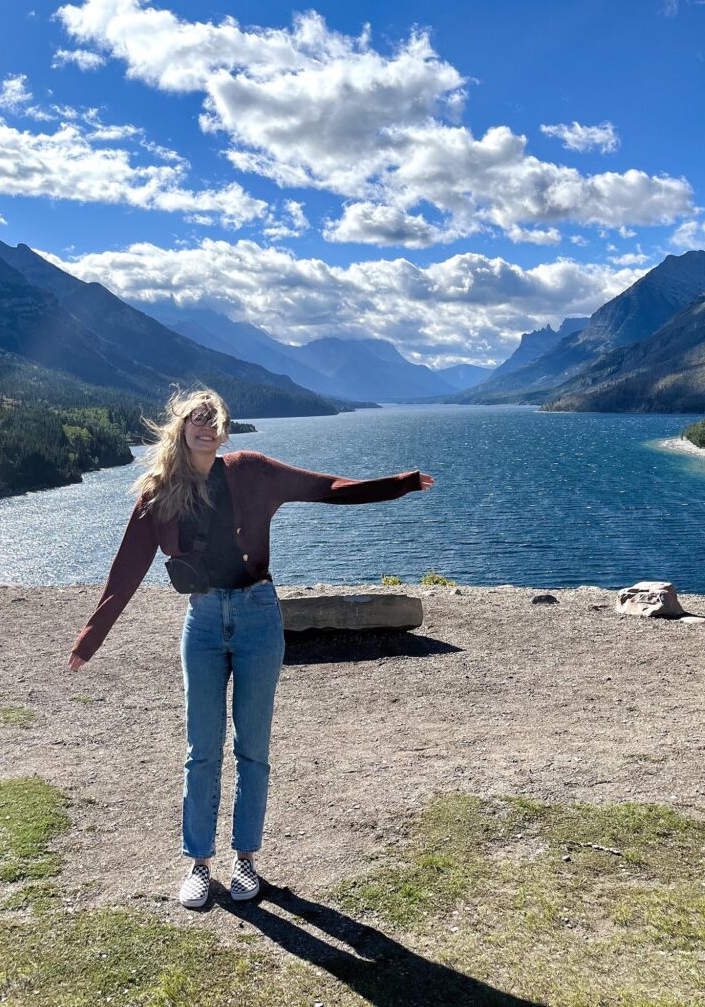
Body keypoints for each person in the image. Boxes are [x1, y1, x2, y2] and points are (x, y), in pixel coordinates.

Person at [67, 386, 434, 909]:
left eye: (214, 421)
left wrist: (397, 485)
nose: (206, 428)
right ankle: (198, 864)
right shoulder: (158, 490)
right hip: (203, 621)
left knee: (253, 750)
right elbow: (126, 568)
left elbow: (326, 487)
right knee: (201, 750)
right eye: (196, 419)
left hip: (260, 616)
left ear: (224, 429)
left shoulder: (253, 471)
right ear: (180, 426)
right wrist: (91, 637)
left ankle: (245, 860)